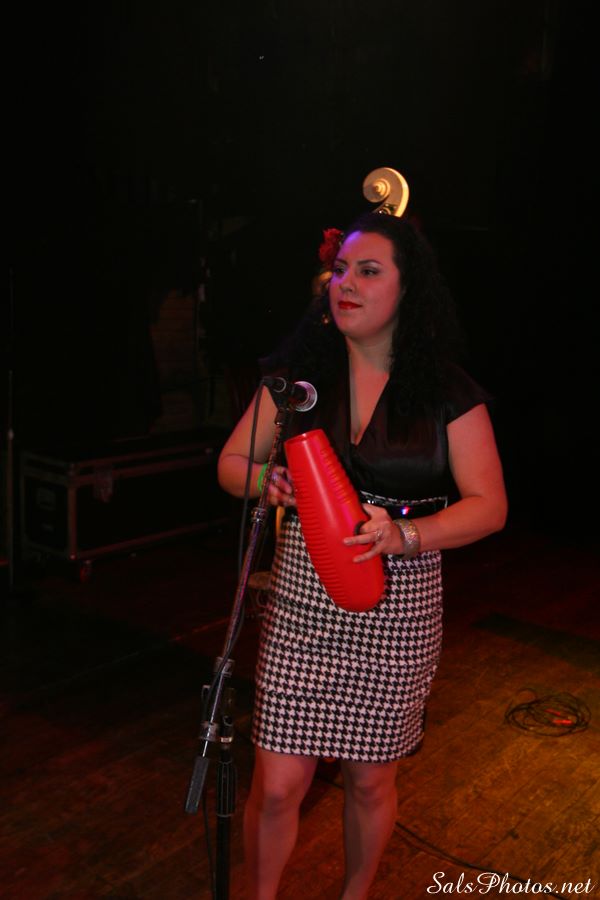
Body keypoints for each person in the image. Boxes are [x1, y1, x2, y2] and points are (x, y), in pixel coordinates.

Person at [218, 210, 508, 899]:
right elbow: (231, 464)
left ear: (409, 289)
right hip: (304, 600)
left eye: (368, 271)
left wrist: (405, 535)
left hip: (399, 603)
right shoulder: (296, 380)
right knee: (277, 783)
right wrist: (267, 482)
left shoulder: (447, 392)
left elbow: (489, 507)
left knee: (370, 780)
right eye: (341, 270)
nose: (345, 283)